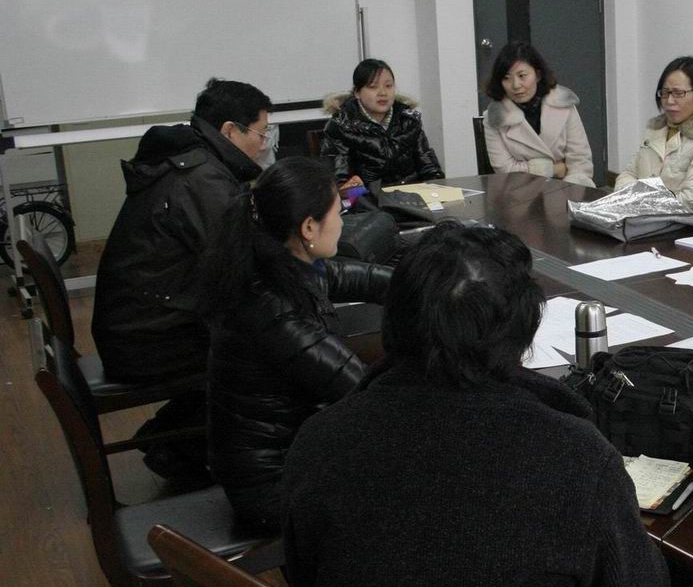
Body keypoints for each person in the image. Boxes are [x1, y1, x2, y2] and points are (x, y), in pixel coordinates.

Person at [282, 223, 671, 587]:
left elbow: (304, 579)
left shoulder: (321, 439)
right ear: (521, 336)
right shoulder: (572, 453)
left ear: (394, 322)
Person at [93, 77, 274, 481]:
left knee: (252, 332)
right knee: (266, 350)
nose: (263, 145)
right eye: (261, 133)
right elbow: (239, 262)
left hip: (137, 324)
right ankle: (190, 451)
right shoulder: (201, 178)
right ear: (230, 131)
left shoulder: (194, 161)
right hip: (148, 340)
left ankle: (172, 438)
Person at [201, 158, 391, 530]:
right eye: (338, 212)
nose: (343, 222)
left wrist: (422, 282)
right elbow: (362, 394)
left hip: (287, 455)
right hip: (272, 487)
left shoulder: (279, 265)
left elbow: (352, 276)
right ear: (308, 227)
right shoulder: (274, 309)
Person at [614, 55, 693, 214]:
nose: (669, 101)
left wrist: (640, 202)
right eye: (665, 92)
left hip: (679, 224)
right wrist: (636, 201)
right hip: (638, 215)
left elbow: (692, 201)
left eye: (678, 93)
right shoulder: (655, 130)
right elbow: (628, 174)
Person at [483, 40, 595, 187]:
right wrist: (553, 170)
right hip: (518, 193)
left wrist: (569, 192)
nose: (516, 85)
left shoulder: (563, 104)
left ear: (537, 75)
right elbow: (505, 170)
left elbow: (580, 161)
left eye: (522, 76)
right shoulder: (495, 118)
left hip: (564, 190)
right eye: (506, 78)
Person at [320, 58, 443, 190]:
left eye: (388, 86)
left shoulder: (408, 120)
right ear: (357, 92)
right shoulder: (341, 125)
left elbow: (430, 168)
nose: (383, 93)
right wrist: (357, 191)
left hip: (411, 195)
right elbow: (339, 188)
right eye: (373, 87)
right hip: (367, 198)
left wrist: (437, 190)